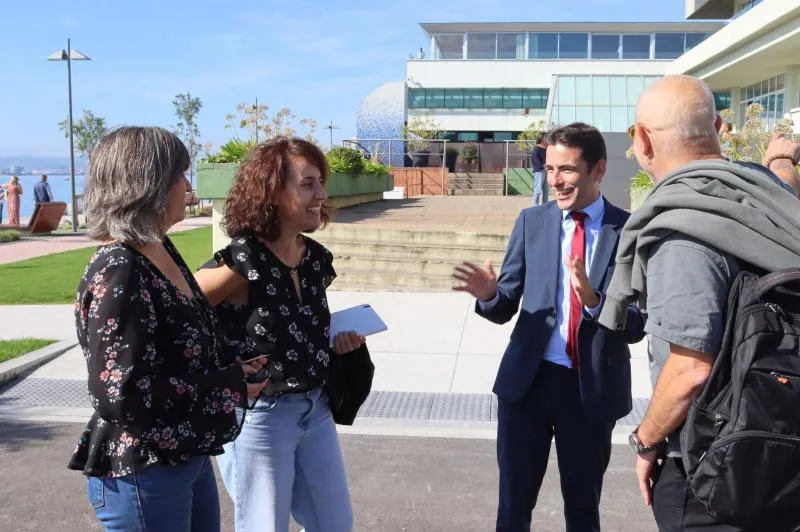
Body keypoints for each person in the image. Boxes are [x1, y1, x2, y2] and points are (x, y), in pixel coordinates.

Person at [598, 75, 800, 530]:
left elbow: (691, 370)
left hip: (715, 468)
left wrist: (646, 442)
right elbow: (785, 179)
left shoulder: (684, 228)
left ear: (644, 140)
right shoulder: (762, 194)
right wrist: (783, 158)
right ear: (720, 126)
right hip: (781, 440)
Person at [68, 126, 269, 532]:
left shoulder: (159, 249)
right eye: (180, 175)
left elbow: (182, 345)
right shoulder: (119, 269)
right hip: (145, 472)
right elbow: (122, 396)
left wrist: (234, 364)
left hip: (185, 455)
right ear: (150, 186)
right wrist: (226, 382)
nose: (187, 186)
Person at [452, 122, 645, 532]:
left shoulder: (628, 230)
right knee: (513, 509)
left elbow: (638, 324)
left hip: (589, 391)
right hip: (528, 387)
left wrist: (594, 300)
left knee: (582, 510)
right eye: (550, 168)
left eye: (568, 170)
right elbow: (505, 305)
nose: (555, 180)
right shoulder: (532, 222)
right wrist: (489, 294)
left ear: (598, 171)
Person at [195, 136, 361, 532]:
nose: (321, 193)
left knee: (334, 524)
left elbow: (298, 325)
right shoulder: (243, 261)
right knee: (263, 526)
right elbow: (179, 312)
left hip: (316, 409)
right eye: (307, 184)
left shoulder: (315, 259)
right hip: (260, 418)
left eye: (321, 182)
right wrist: (220, 373)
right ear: (271, 192)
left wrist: (338, 343)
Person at [530, 133, 548, 205]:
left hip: (545, 170)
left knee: (546, 190)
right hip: (539, 171)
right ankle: (535, 206)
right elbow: (535, 159)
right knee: (537, 190)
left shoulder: (546, 148)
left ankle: (545, 205)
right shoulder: (537, 148)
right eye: (545, 137)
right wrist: (543, 166)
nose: (547, 139)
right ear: (541, 138)